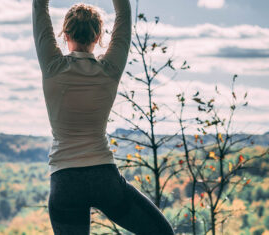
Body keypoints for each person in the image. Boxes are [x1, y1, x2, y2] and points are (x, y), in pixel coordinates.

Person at [32, 0, 175, 234]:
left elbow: (40, 7)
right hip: (103, 178)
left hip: (64, 181)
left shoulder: (53, 67)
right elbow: (123, 11)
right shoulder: (109, 69)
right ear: (99, 36)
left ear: (64, 34)